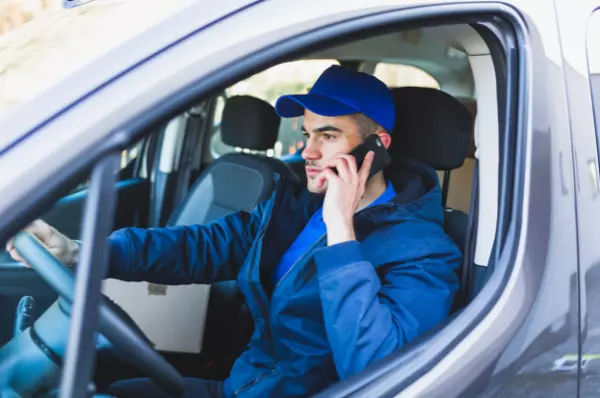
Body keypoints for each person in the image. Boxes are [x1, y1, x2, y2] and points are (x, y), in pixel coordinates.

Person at [7, 65, 461, 398]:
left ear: (376, 147)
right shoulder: (296, 205)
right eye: (305, 134)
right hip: (244, 385)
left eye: (328, 136)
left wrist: (342, 231)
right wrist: (79, 252)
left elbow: (378, 369)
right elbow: (200, 247)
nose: (307, 151)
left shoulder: (424, 251)